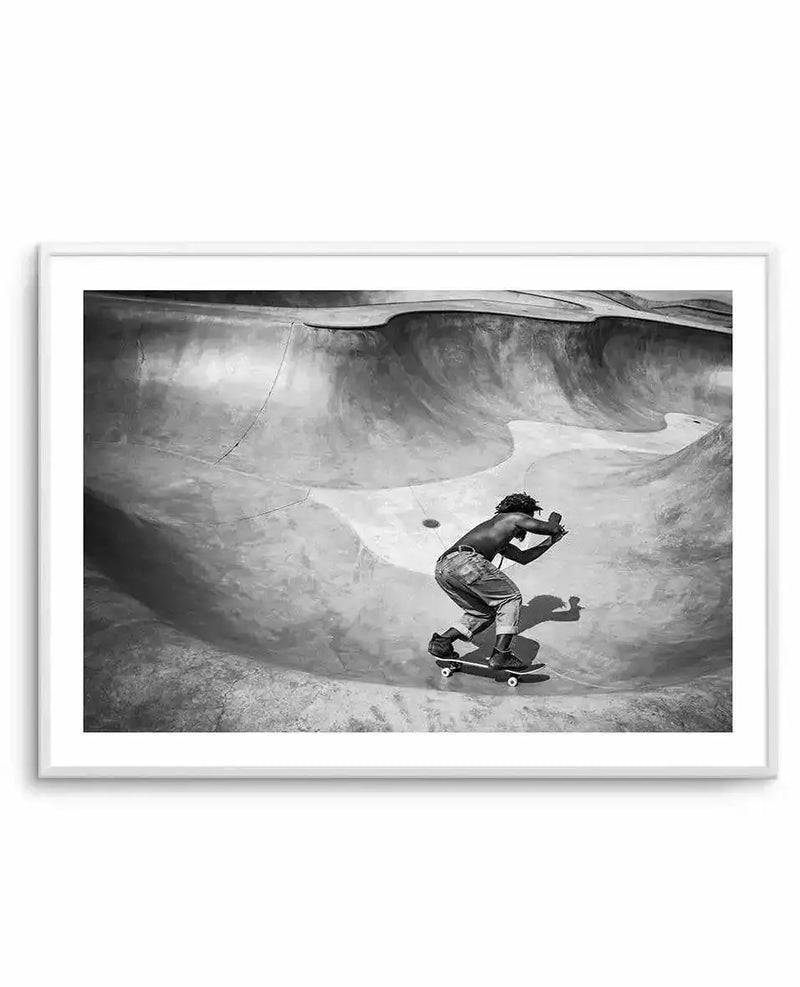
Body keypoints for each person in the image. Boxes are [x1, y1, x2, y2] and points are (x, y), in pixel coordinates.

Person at [428, 493, 568, 671]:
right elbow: (549, 528)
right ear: (523, 512)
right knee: (510, 598)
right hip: (465, 561)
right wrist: (554, 522)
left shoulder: (497, 533)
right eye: (528, 518)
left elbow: (523, 558)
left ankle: (442, 642)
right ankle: (501, 655)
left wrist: (550, 542)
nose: (524, 527)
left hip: (443, 569)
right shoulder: (513, 517)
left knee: (483, 614)